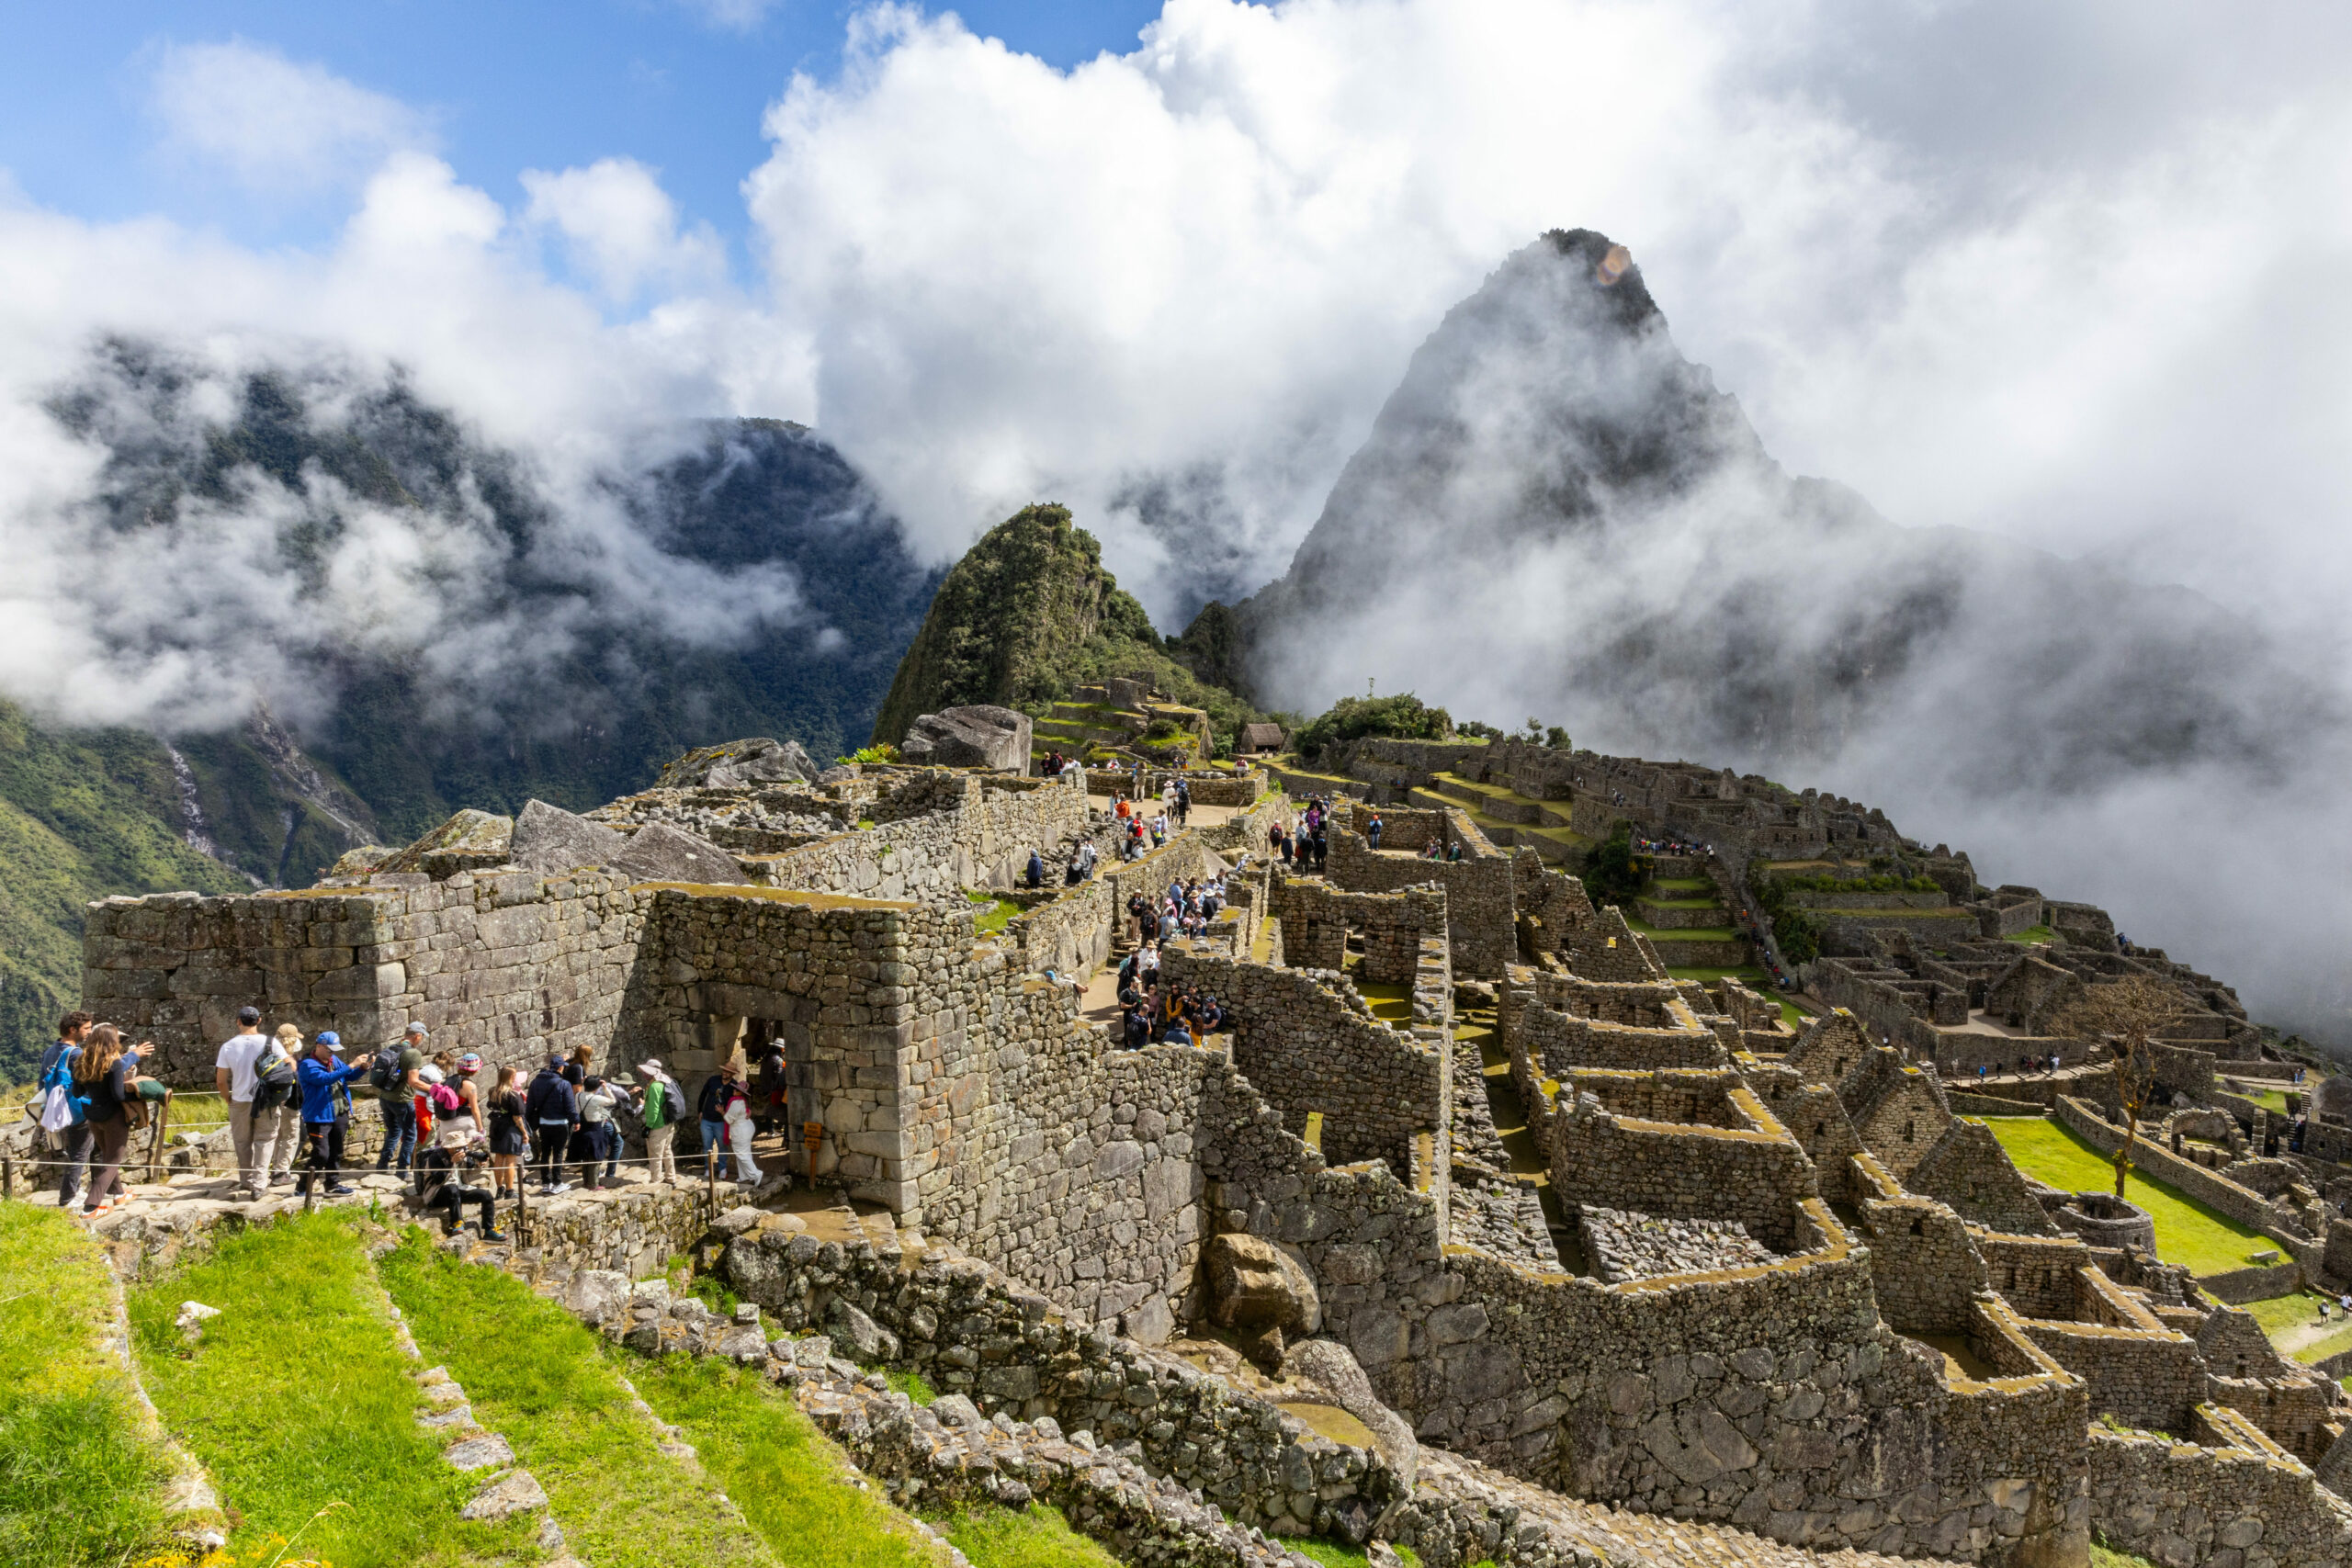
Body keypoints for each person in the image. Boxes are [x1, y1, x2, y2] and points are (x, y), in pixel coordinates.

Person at [74, 1024, 151, 1215]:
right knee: (112, 1161)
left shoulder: (82, 1061)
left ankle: (118, 1194)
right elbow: (118, 1095)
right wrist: (138, 1096)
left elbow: (77, 1091)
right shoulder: (113, 1063)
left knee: (107, 1155)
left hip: (93, 1116)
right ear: (112, 1041)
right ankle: (91, 1206)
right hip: (113, 1118)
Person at [294, 1032, 373, 1199]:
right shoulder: (308, 1065)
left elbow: (348, 1076)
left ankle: (332, 1184)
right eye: (330, 1049)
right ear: (319, 1046)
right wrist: (352, 1064)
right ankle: (302, 1186)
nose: (332, 1052)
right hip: (318, 1116)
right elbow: (326, 1079)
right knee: (321, 1154)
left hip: (339, 1112)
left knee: (336, 1151)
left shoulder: (334, 1060)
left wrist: (363, 1068)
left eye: (334, 1049)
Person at [41, 1010, 96, 1209]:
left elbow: (42, 1083)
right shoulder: (77, 1054)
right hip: (78, 1109)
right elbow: (89, 1082)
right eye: (87, 1028)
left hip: (58, 1109)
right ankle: (68, 1198)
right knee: (79, 1153)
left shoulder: (50, 1051)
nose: (90, 1032)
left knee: (77, 1150)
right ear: (73, 1030)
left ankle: (76, 1189)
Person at [415, 1122, 503, 1240]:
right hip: (436, 1194)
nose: (460, 1148)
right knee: (452, 1188)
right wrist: (452, 1163)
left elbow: (471, 1170)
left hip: (457, 1190)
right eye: (457, 1146)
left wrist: (479, 1164)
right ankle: (457, 1222)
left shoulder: (462, 1154)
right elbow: (438, 1179)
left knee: (486, 1195)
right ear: (449, 1147)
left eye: (461, 1146)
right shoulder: (435, 1157)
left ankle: (489, 1229)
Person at [370, 1022, 428, 1174]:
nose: (421, 1040)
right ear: (417, 1035)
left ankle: (382, 1164)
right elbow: (413, 1081)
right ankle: (402, 1170)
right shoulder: (413, 1053)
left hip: (385, 1097)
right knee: (410, 1135)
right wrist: (435, 1089)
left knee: (394, 1131)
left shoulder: (393, 1047)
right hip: (402, 1099)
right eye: (421, 1037)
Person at [525, 1053, 580, 1193]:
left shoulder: (535, 1082)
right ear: (561, 1068)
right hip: (560, 1123)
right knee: (558, 1154)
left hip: (544, 1124)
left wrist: (527, 1122)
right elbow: (570, 1106)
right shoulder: (564, 1084)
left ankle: (545, 1183)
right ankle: (557, 1182)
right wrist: (576, 1120)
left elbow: (530, 1105)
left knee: (545, 1153)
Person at [486, 1066, 528, 1200]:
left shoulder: (492, 1091)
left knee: (498, 1158)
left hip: (496, 1127)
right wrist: (524, 1133)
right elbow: (517, 1117)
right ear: (511, 1077)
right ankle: (510, 1191)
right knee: (510, 1159)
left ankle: (500, 1189)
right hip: (510, 1129)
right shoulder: (512, 1095)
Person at [638, 1059, 682, 1184]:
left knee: (655, 1154)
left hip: (658, 1125)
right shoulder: (664, 1081)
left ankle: (655, 1180)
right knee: (667, 1150)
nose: (643, 1074)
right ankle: (671, 1177)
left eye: (646, 1072)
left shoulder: (654, 1086)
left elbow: (654, 1110)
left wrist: (648, 1127)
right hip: (668, 1123)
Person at [718, 1063, 762, 1186]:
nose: (734, 1090)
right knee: (744, 1153)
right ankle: (743, 1176)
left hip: (740, 1131)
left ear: (740, 1092)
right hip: (746, 1128)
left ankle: (755, 1174)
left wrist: (722, 1112)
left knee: (742, 1154)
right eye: (735, 1088)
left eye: (736, 1090)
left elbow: (728, 1119)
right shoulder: (742, 1102)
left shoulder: (736, 1103)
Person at [574, 1075, 620, 1190]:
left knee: (586, 1156)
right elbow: (613, 1100)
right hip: (595, 1129)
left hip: (583, 1129)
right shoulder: (597, 1099)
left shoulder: (578, 1096)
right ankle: (594, 1184)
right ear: (596, 1087)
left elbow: (585, 1094)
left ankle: (586, 1182)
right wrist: (605, 1088)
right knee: (596, 1157)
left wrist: (586, 1084)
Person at [696, 1068, 732, 1181]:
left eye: (728, 1072)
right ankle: (708, 1168)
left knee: (722, 1146)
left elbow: (736, 1102)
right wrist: (700, 1111)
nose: (724, 1073)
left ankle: (722, 1169)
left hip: (721, 1121)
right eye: (724, 1071)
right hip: (706, 1119)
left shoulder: (734, 1086)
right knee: (707, 1145)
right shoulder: (713, 1080)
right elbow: (703, 1094)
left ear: (733, 1074)